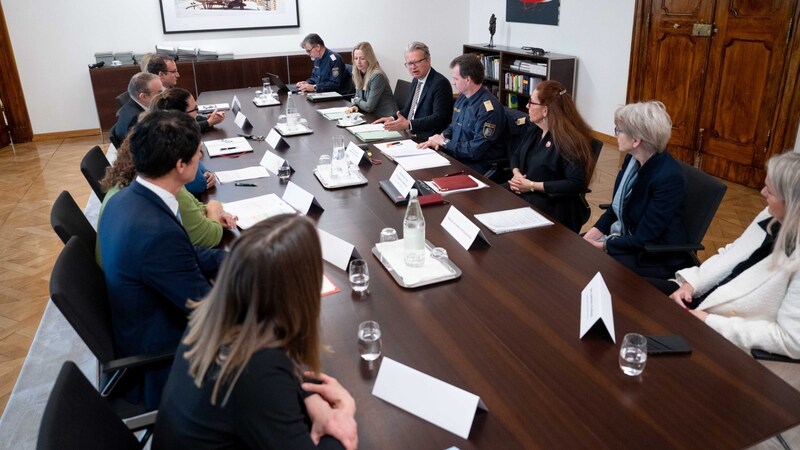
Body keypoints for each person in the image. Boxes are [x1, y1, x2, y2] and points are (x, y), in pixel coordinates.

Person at [153, 214, 358, 449]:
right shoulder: (256, 367)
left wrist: (310, 397)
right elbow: (262, 383)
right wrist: (344, 413)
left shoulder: (215, 315)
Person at [98, 110, 226, 410]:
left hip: (140, 325)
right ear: (180, 165)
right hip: (164, 360)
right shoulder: (156, 233)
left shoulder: (126, 198)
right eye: (197, 154)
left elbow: (186, 255)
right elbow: (208, 309)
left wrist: (241, 259)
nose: (201, 156)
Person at [663, 152, 800, 358]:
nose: (762, 192)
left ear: (791, 203)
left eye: (769, 191)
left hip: (727, 339)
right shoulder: (770, 214)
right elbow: (731, 253)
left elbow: (790, 340)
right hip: (702, 301)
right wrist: (691, 283)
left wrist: (710, 322)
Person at [583, 101, 689, 278]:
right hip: (629, 238)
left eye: (619, 130)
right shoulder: (632, 161)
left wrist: (604, 246)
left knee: (592, 268)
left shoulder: (669, 178)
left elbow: (645, 238)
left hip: (653, 255)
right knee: (579, 248)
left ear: (636, 140)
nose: (615, 134)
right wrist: (592, 235)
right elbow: (615, 210)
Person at [95, 135, 236, 261]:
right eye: (196, 153)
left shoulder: (126, 183)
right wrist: (213, 210)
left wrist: (211, 215)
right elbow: (207, 237)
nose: (199, 157)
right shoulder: (164, 193)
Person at [507, 80, 595, 233]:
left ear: (545, 110)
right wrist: (517, 174)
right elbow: (516, 155)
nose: (527, 106)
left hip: (554, 203)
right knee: (493, 198)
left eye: (531, 103)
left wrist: (532, 185)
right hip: (528, 192)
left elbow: (575, 183)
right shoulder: (535, 129)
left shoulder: (569, 141)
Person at [418, 54, 505, 175]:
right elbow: (454, 126)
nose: (453, 83)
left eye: (455, 79)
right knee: (422, 170)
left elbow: (475, 151)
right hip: (458, 157)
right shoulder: (462, 98)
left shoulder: (488, 109)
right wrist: (441, 137)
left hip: (478, 165)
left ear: (468, 79)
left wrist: (445, 143)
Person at [373, 41, 452, 140]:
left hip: (426, 138)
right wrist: (392, 118)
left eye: (417, 62)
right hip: (409, 133)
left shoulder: (440, 83)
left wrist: (409, 124)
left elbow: (438, 118)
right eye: (409, 63)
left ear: (428, 60)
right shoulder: (416, 80)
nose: (413, 67)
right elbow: (409, 110)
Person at [149, 87, 218, 195]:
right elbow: (198, 184)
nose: (197, 113)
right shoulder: (170, 143)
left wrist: (205, 172)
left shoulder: (158, 131)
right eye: (195, 109)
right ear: (180, 115)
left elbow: (194, 160)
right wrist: (204, 178)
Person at [147, 54, 225, 129]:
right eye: (174, 71)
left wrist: (207, 119)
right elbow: (179, 128)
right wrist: (208, 122)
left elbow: (186, 115)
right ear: (161, 74)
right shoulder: (159, 98)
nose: (178, 75)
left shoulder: (169, 90)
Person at [110, 72, 162, 145]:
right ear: (143, 97)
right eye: (159, 92)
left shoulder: (130, 106)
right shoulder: (136, 119)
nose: (163, 96)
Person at [348, 42, 397, 118]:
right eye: (356, 58)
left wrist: (356, 100)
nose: (358, 62)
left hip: (386, 118)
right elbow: (358, 97)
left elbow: (369, 107)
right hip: (371, 116)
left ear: (369, 58)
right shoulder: (358, 73)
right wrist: (355, 106)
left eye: (362, 58)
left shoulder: (377, 76)